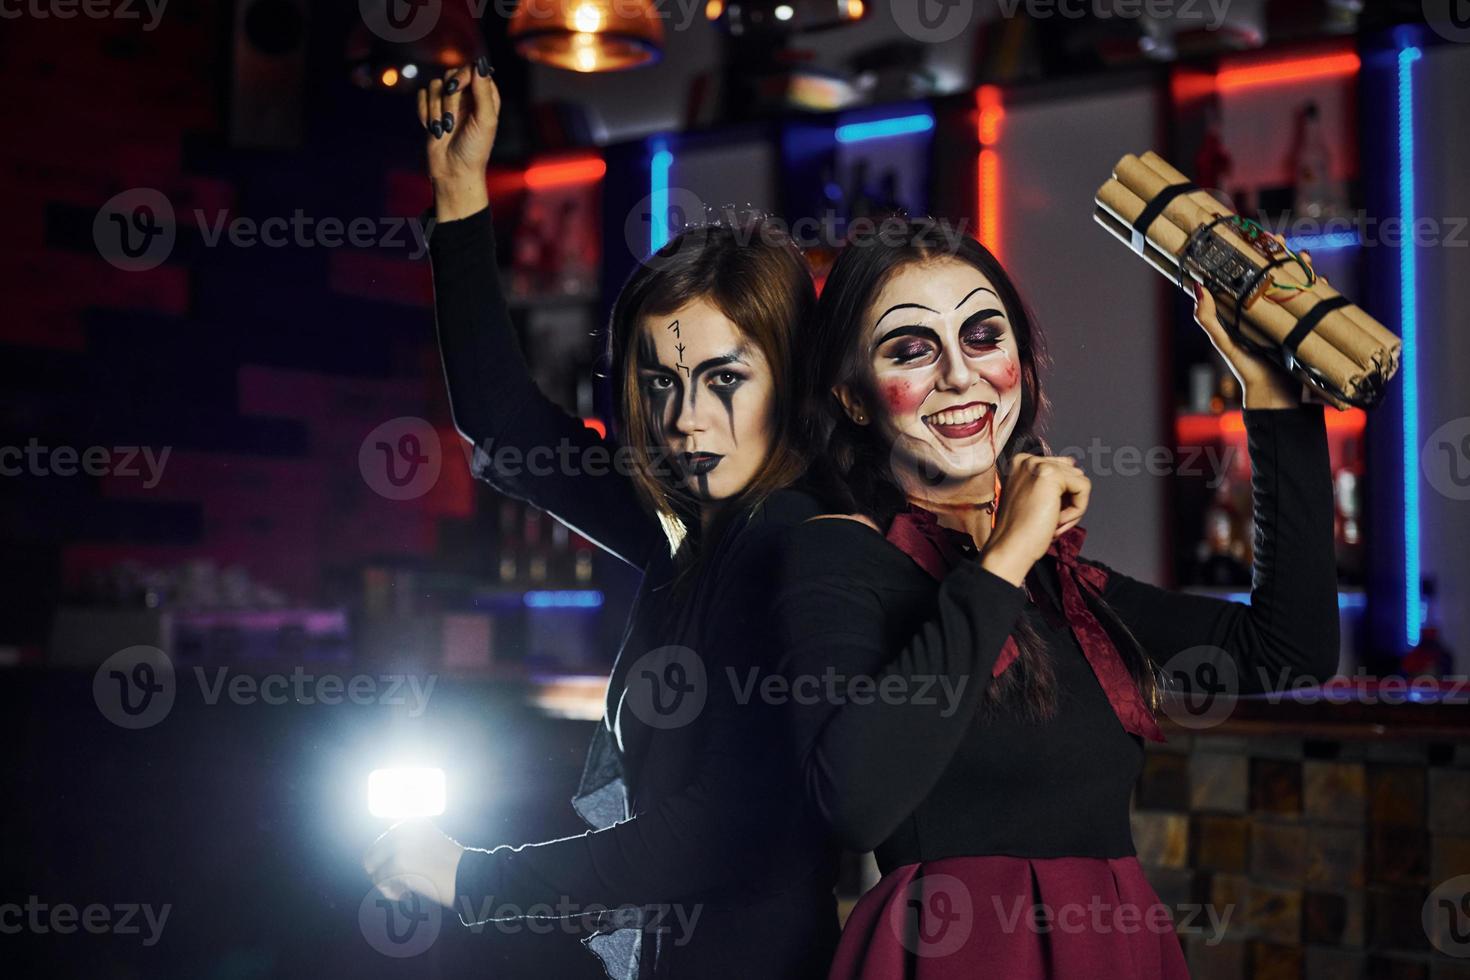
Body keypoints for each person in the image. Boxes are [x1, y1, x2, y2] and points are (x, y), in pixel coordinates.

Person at [363, 59, 839, 979]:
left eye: (724, 379)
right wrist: (460, 194)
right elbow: (506, 428)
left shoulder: (797, 550)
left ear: (790, 380)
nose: (685, 417)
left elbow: (703, 835)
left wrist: (469, 878)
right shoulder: (691, 531)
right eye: (660, 382)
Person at [774, 219, 1340, 978]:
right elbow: (854, 804)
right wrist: (1005, 555)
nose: (959, 375)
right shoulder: (839, 554)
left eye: (983, 336)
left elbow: (1288, 650)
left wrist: (1271, 401)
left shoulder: (1062, 583)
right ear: (851, 397)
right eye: (911, 349)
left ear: (1019, 362)